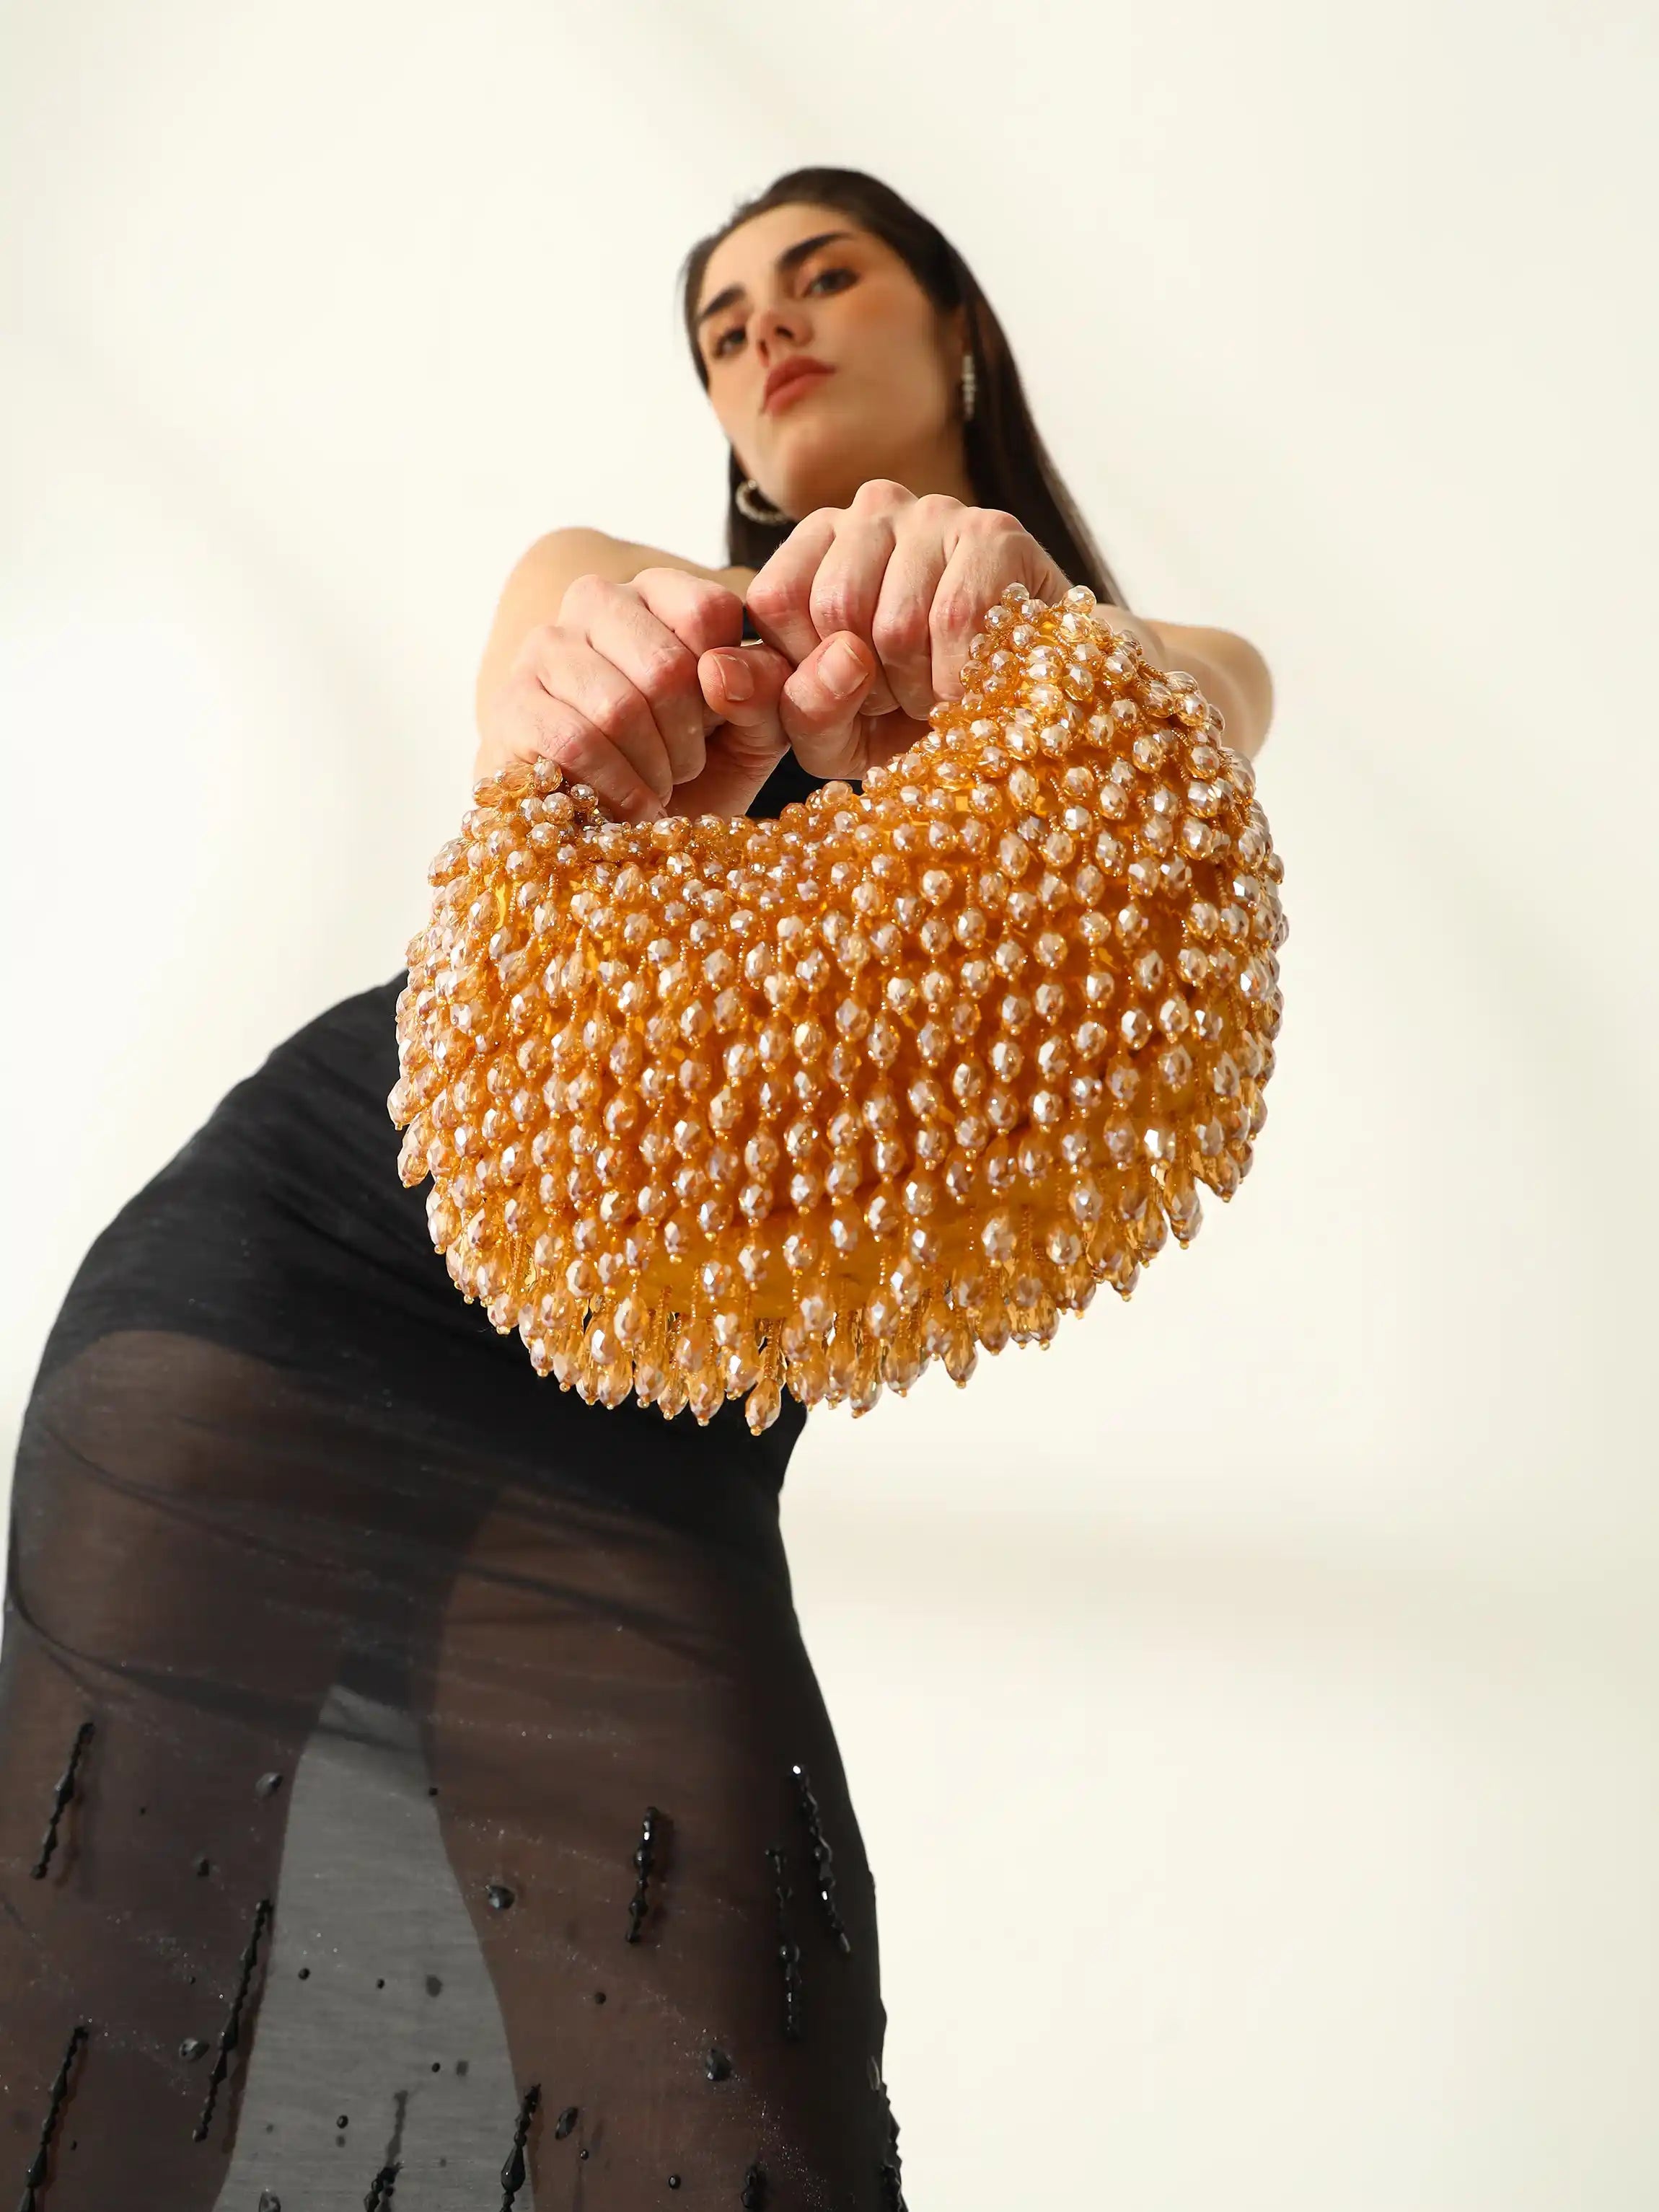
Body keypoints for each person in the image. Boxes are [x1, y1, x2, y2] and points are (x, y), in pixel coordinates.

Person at [0, 166, 1274, 2210]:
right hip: (293, 1287)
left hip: (645, 1450)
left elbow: (1200, 732)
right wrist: (583, 705)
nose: (762, 329)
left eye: (821, 274)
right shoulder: (633, 608)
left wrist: (1020, 652)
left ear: (956, 328)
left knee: (728, 2103)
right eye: (716, 321)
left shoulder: (1133, 675)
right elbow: (527, 717)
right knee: (119, 2043)